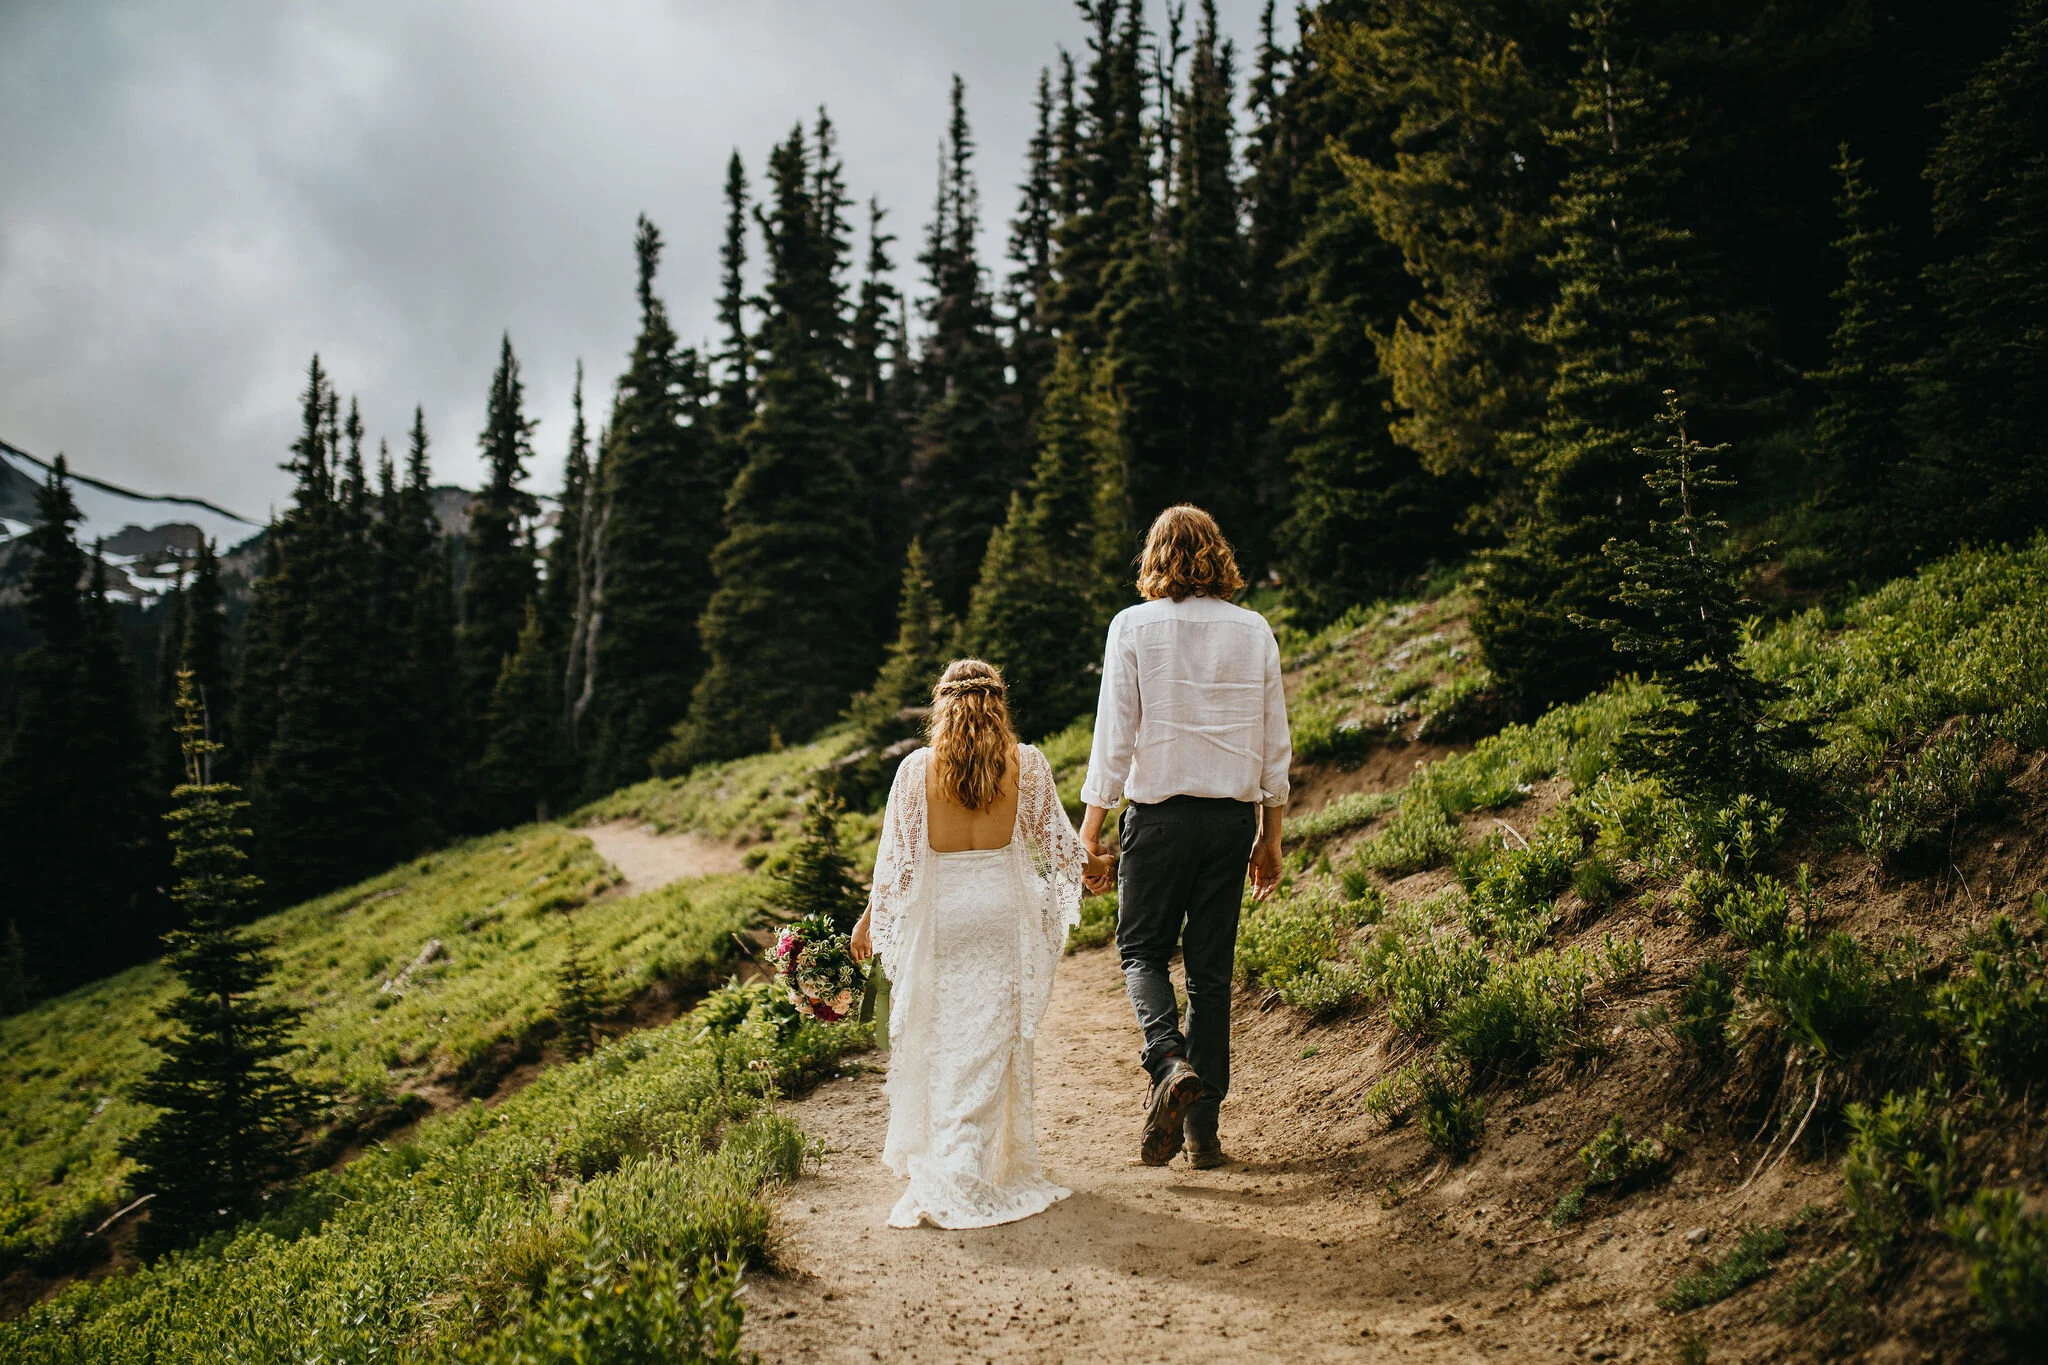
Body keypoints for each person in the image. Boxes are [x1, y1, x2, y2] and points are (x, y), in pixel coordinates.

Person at [850, 658, 1114, 1229]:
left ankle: (952, 1157)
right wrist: (1101, 864)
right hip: (999, 916)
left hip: (944, 919)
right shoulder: (1029, 765)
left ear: (941, 707)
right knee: (989, 1046)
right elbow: (1060, 847)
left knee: (946, 1041)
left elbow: (894, 865)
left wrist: (869, 920)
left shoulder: (915, 770)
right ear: (999, 704)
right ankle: (965, 1165)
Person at [1078, 505, 1290, 1169]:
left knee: (1141, 948)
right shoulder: (1254, 630)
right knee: (1210, 973)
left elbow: (1115, 736)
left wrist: (1092, 828)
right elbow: (1273, 741)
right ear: (1217, 556)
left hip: (1159, 816)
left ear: (1156, 557)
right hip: (1230, 820)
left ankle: (1168, 1062)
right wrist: (1271, 836)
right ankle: (1203, 1135)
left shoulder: (1132, 627)